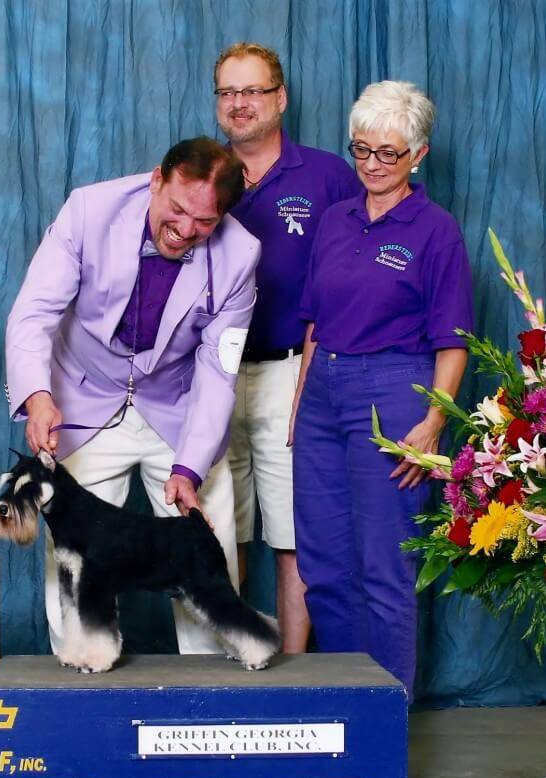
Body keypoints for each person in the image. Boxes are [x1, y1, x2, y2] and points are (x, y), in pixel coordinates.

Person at [5, 137, 259, 656]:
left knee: (208, 556)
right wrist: (37, 396)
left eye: (205, 223)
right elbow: (33, 313)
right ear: (156, 180)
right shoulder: (88, 210)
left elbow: (218, 371)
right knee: (72, 558)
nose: (187, 230)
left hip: (179, 412)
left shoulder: (241, 255)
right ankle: (83, 666)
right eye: (179, 210)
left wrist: (191, 469)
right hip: (83, 402)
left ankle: (210, 689)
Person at [291, 80, 473, 695]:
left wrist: (435, 421)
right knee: (323, 563)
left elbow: (454, 339)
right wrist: (299, 406)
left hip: (396, 390)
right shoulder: (335, 220)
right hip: (324, 388)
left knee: (384, 565)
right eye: (361, 150)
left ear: (418, 155)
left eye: (388, 153)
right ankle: (347, 705)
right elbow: (314, 321)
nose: (371, 165)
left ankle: (386, 720)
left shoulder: (435, 229)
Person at [214, 42, 360, 653]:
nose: (239, 104)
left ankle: (294, 674)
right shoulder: (202, 173)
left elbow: (356, 277)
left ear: (281, 98)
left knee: (292, 531)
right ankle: (223, 666)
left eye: (252, 91)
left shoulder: (327, 176)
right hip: (211, 374)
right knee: (219, 529)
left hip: (290, 372)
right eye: (228, 92)